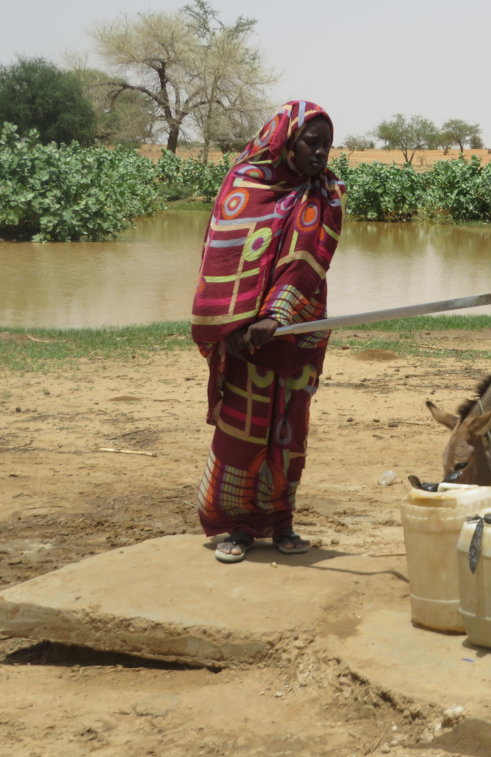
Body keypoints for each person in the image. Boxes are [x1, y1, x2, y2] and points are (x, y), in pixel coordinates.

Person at [190, 100, 345, 563]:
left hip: (296, 330)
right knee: (242, 428)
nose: (321, 154)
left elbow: (309, 263)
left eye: (327, 146)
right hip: (241, 336)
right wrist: (234, 326)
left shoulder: (326, 193)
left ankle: (281, 521)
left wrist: (276, 317)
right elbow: (219, 254)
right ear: (285, 141)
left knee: (287, 429)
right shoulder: (243, 183)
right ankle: (236, 525)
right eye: (311, 143)